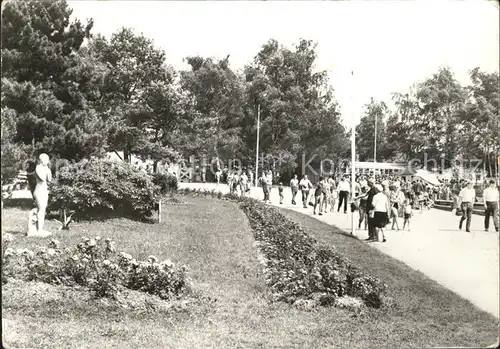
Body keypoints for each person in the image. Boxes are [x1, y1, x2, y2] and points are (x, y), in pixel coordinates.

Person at [32, 153, 53, 235]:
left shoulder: (46, 169)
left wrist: (48, 170)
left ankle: (40, 229)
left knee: (43, 210)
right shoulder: (38, 168)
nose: (48, 161)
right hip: (39, 190)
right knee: (41, 210)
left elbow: (49, 179)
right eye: (46, 160)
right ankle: (38, 230)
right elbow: (43, 179)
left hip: (44, 190)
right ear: (41, 160)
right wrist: (47, 169)